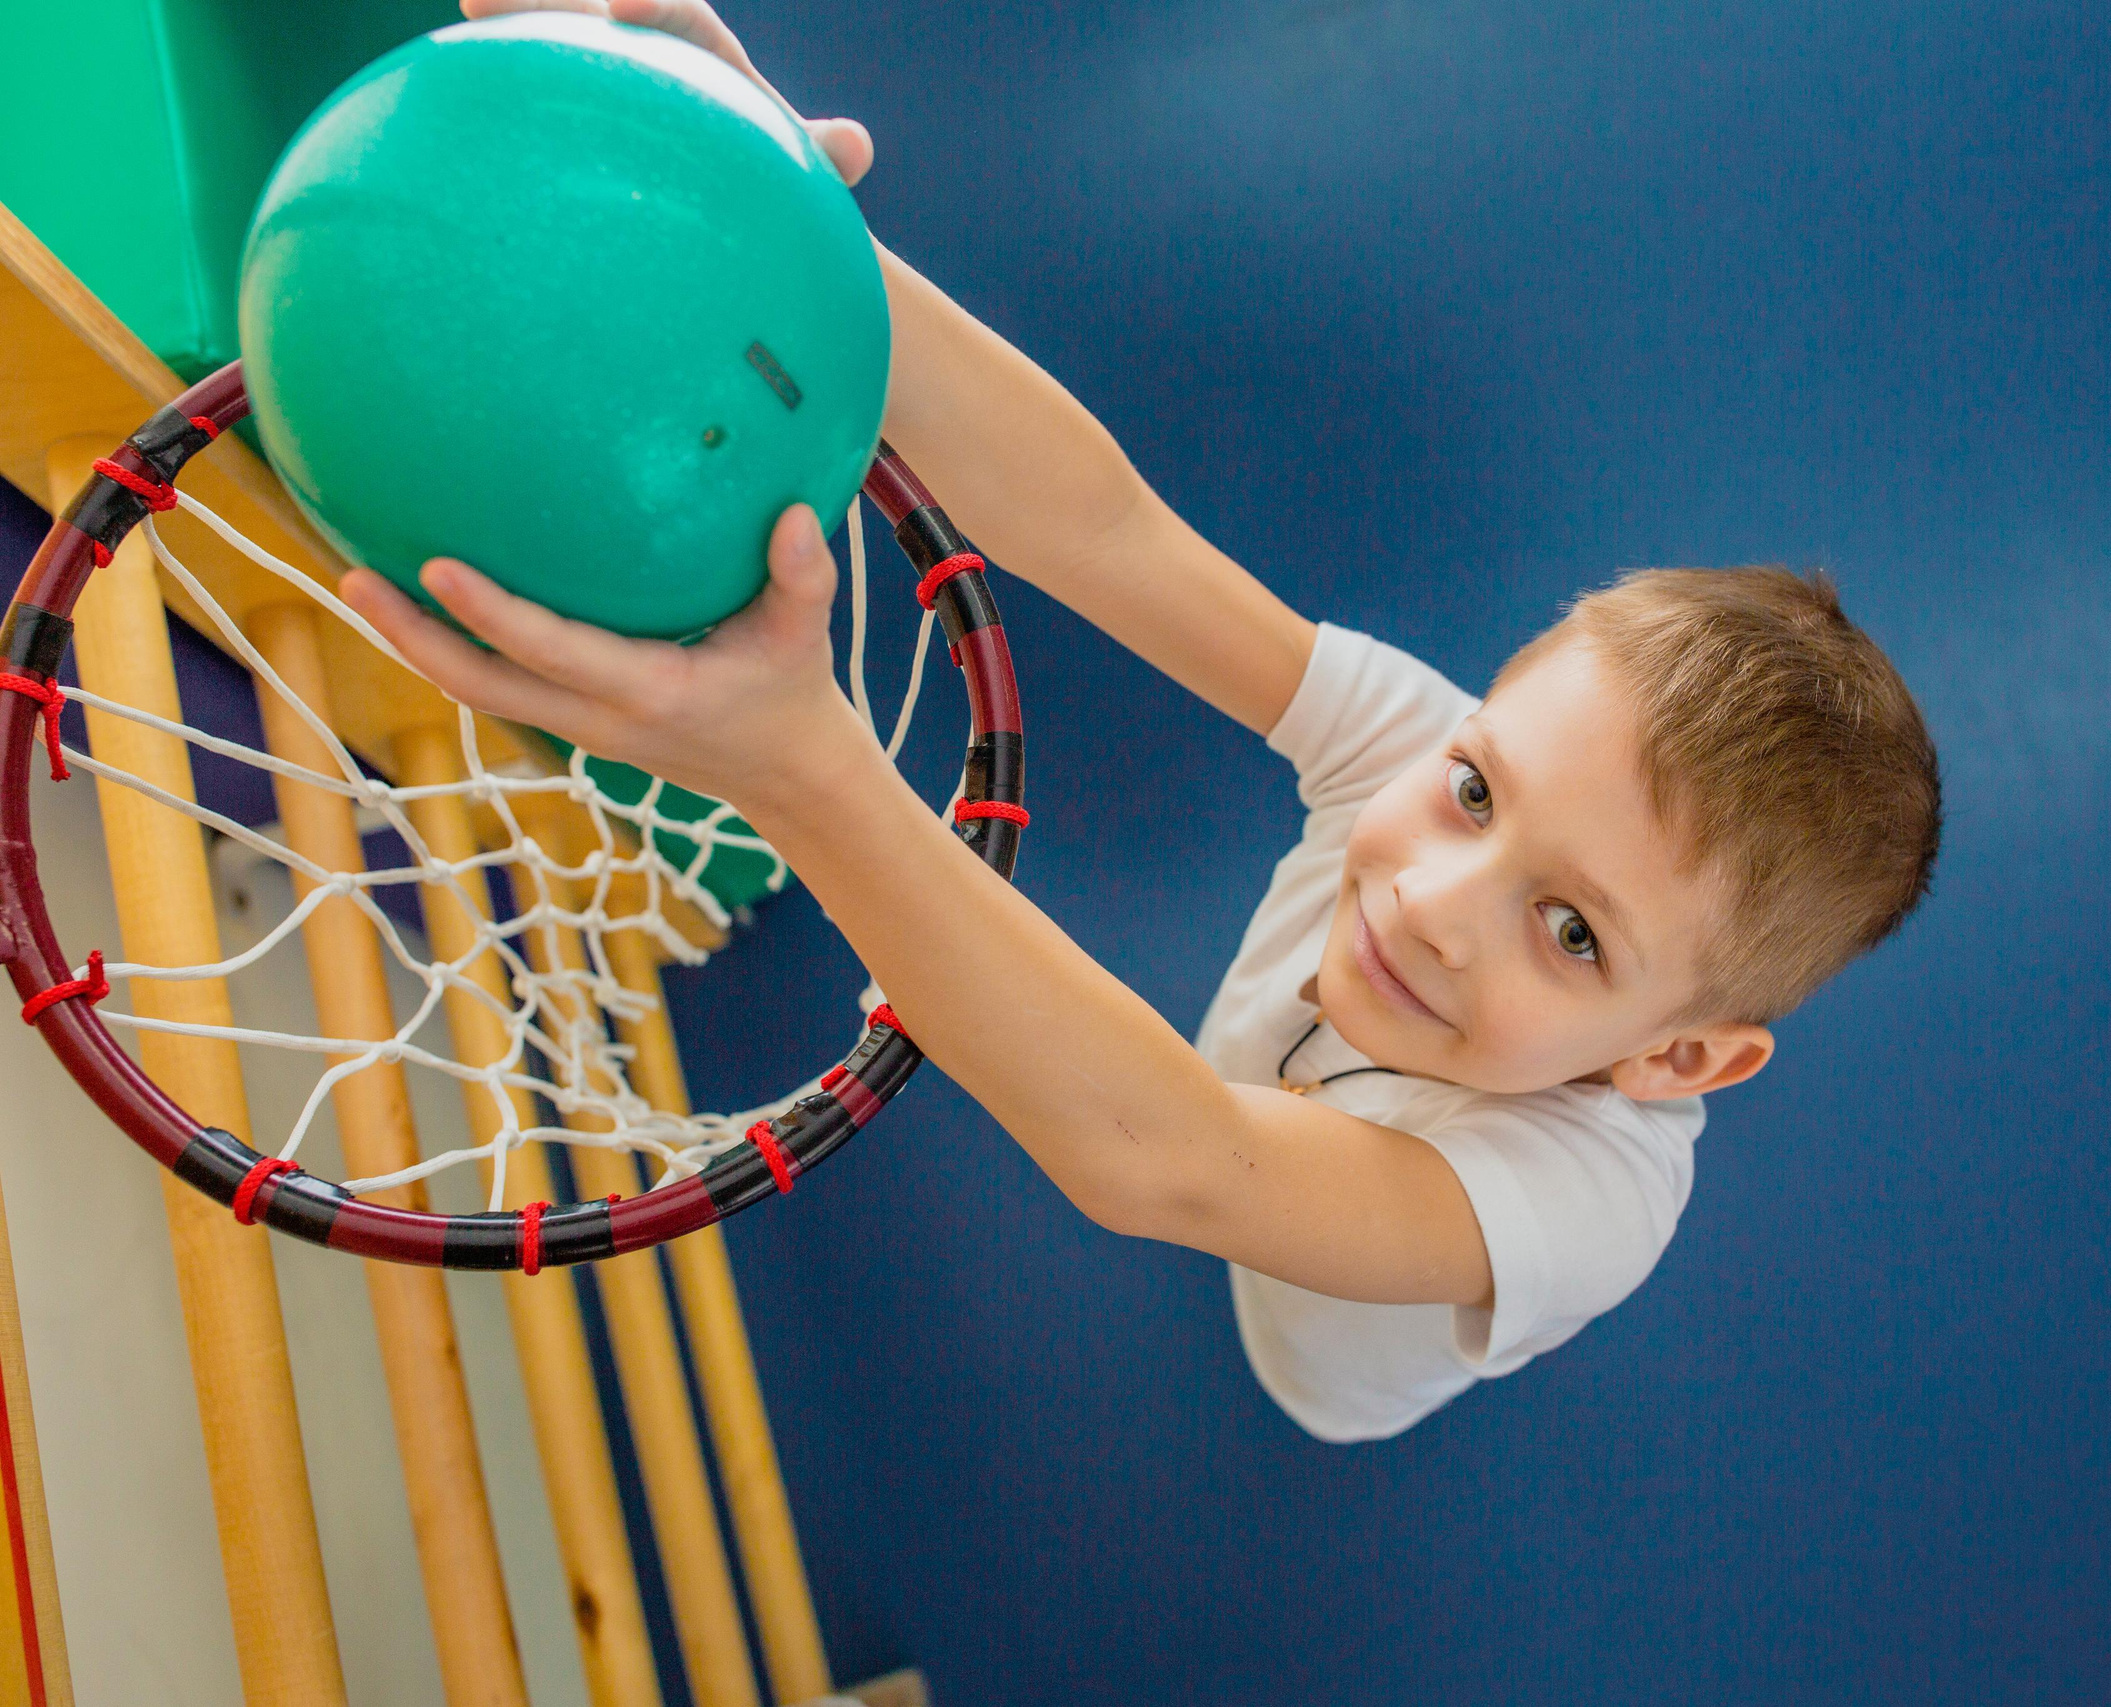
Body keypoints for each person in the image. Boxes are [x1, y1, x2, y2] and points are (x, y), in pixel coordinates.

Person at [346, 0, 1943, 1443]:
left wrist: (795, 757)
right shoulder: (1416, 744)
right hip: (1233, 1114)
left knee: (1300, 1344)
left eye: (1573, 935)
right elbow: (1113, 537)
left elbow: (1170, 1165)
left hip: (1335, 1357)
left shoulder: (1591, 1204)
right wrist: (791, 229)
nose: (1438, 906)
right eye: (1474, 793)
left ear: (1680, 1059)